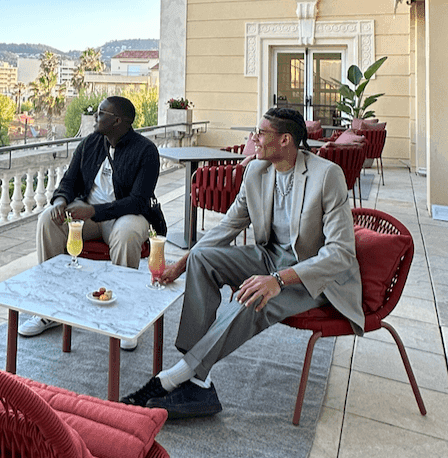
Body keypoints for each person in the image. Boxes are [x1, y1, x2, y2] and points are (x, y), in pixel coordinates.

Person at [121, 107, 363, 419]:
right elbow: (226, 228)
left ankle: (176, 377)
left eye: (261, 133)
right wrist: (181, 264)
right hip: (269, 257)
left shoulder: (326, 176)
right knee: (203, 257)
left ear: (286, 140)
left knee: (254, 297)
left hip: (312, 275)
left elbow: (341, 253)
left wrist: (277, 281)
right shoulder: (256, 172)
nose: (253, 139)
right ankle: (198, 378)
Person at [21, 96, 162, 348]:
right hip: (90, 217)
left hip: (127, 215)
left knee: (127, 232)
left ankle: (123, 319)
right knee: (47, 221)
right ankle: (51, 307)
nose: (95, 117)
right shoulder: (90, 143)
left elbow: (139, 202)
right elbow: (69, 180)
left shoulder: (146, 151)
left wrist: (92, 211)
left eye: (101, 113)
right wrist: (59, 201)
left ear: (118, 121)